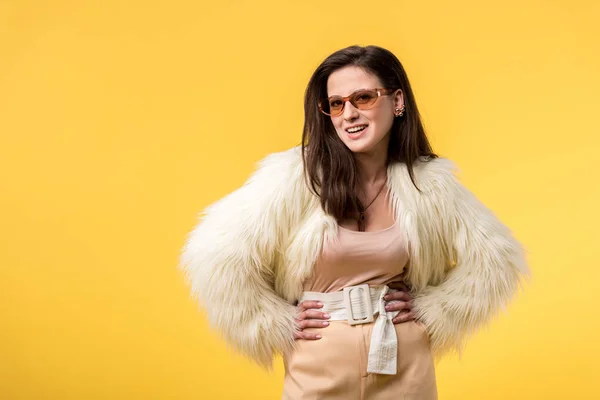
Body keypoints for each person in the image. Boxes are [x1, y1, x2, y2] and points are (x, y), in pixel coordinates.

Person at [179, 45, 529, 399]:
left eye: (363, 98)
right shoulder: (295, 177)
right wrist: (273, 322)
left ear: (397, 101)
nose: (348, 114)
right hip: (318, 363)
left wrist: (436, 309)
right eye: (336, 104)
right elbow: (213, 254)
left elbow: (498, 258)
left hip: (403, 363)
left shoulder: (429, 185)